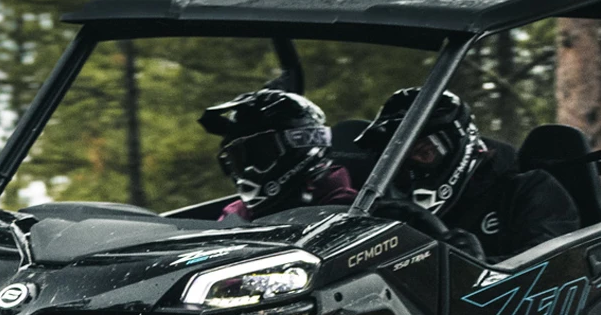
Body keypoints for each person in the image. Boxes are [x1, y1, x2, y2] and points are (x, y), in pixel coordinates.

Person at [358, 88, 578, 261]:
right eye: (397, 162)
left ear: (458, 142)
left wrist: (475, 266)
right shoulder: (394, 210)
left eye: (423, 153)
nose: (410, 170)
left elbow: (552, 269)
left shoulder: (530, 191)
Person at [199, 88, 358, 220]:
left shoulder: (346, 211)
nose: (248, 170)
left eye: (259, 153)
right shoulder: (237, 214)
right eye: (237, 159)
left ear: (301, 143)